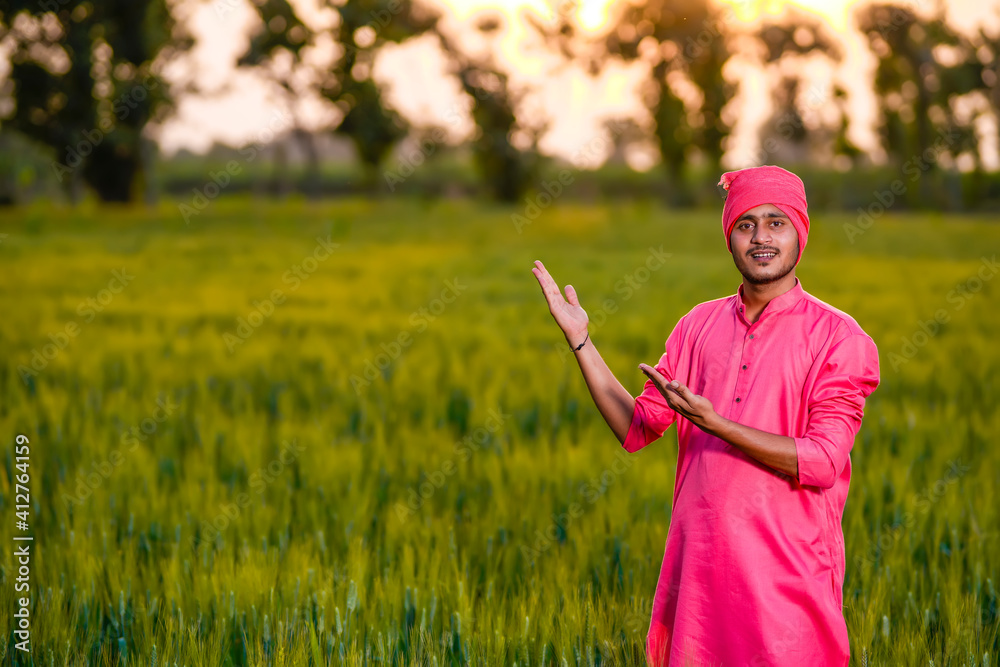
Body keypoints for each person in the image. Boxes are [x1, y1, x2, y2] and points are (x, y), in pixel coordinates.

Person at [530, 164, 880, 666]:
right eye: (746, 224)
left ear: (801, 231)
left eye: (776, 222)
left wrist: (716, 424)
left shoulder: (839, 339)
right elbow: (638, 426)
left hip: (787, 586)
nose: (760, 237)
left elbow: (822, 461)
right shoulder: (698, 325)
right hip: (699, 583)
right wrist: (581, 341)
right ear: (730, 236)